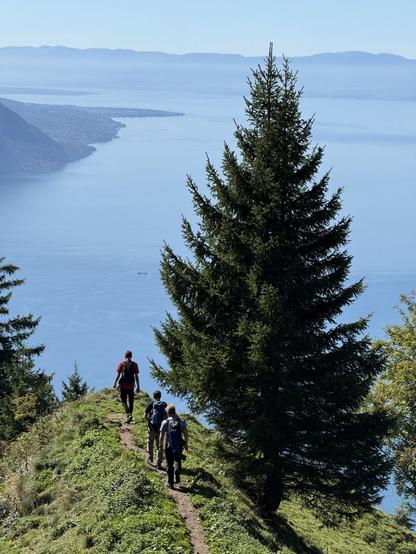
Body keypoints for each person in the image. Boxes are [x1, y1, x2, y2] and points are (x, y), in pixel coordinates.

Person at [159, 404, 188, 488]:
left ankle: (170, 483)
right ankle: (177, 475)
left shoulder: (165, 422)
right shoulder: (181, 421)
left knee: (169, 464)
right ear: (175, 411)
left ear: (167, 412)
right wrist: (186, 445)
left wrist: (160, 446)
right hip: (179, 445)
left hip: (169, 446)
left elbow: (161, 436)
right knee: (177, 460)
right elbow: (186, 434)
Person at [113, 350, 140, 423]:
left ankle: (128, 414)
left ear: (125, 356)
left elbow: (118, 375)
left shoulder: (121, 364)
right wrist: (138, 386)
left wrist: (115, 383)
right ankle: (130, 414)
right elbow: (136, 376)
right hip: (131, 386)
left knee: (123, 401)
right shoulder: (134, 364)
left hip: (123, 386)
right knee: (131, 401)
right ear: (131, 356)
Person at [144, 390, 167, 469]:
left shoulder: (150, 403)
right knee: (159, 446)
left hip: (152, 427)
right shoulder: (164, 405)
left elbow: (145, 416)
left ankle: (150, 459)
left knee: (150, 442)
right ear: (160, 396)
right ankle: (159, 463)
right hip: (161, 428)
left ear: (153, 396)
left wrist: (150, 420)